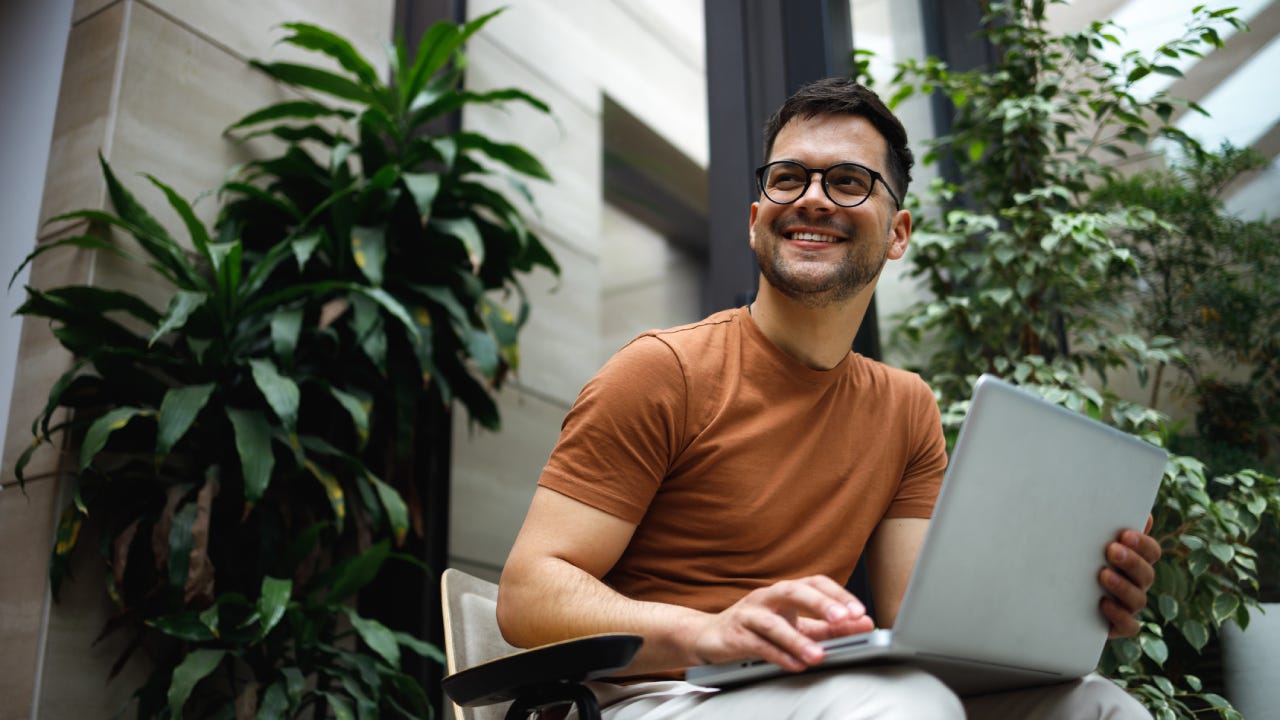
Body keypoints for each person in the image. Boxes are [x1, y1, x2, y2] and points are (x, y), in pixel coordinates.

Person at [496, 78, 1161, 719]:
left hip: (810, 688)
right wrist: (706, 631)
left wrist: (1076, 603)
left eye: (848, 181)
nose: (812, 198)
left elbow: (914, 620)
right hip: (651, 696)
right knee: (905, 706)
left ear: (898, 234)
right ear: (757, 222)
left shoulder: (907, 408)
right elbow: (527, 593)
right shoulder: (663, 370)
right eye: (789, 177)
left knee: (1099, 705)